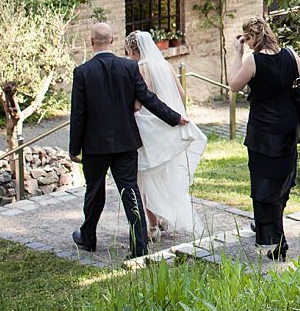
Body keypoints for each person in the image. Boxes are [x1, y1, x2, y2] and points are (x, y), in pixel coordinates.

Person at [69, 22, 187, 259]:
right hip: (125, 143)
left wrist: (74, 148)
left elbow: (78, 114)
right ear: (112, 41)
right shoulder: (128, 67)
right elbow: (148, 99)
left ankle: (88, 237)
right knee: (130, 192)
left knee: (94, 192)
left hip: (95, 146)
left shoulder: (82, 72)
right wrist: (175, 118)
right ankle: (139, 246)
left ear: (92, 42)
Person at [228, 17, 300, 260]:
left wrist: (237, 52)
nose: (246, 42)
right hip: (287, 128)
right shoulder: (291, 55)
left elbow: (233, 85)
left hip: (263, 131)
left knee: (264, 187)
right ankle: (278, 236)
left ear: (252, 38)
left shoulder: (253, 59)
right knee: (281, 184)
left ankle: (274, 240)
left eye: (247, 38)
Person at [126, 30, 207, 241]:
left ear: (132, 49)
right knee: (165, 173)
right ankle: (162, 217)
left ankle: (153, 225)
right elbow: (181, 94)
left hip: (147, 126)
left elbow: (137, 102)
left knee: (144, 175)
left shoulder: (139, 68)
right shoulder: (165, 65)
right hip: (167, 124)